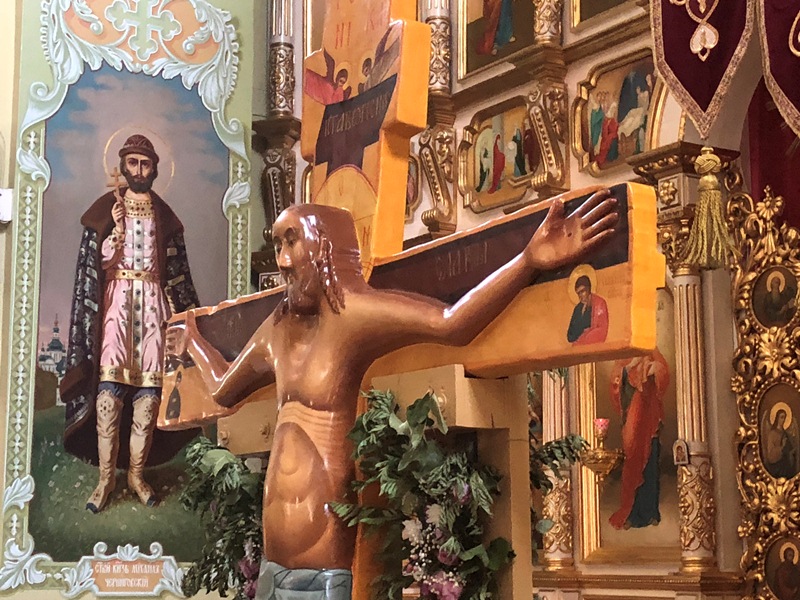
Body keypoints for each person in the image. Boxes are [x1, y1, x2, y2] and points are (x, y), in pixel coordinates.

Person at [166, 188, 619, 600]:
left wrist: (528, 262)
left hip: (324, 563)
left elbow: (450, 324)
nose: (282, 261)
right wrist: (193, 343)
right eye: (277, 244)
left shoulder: (354, 316)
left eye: (292, 241)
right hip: (272, 561)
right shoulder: (277, 329)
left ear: (324, 247)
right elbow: (224, 390)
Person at [60, 134, 200, 513]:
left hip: (153, 309)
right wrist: (116, 233)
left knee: (148, 399)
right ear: (122, 166)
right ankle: (106, 479)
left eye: (145, 164)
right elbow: (98, 264)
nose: (138, 170)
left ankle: (137, 477)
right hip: (117, 308)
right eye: (133, 163)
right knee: (108, 398)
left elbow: (176, 274)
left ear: (154, 169)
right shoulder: (106, 210)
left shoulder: (164, 216)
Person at [609, 349, 669, 529]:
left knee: (650, 463)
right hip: (632, 420)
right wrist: (627, 370)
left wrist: (655, 368)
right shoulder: (623, 356)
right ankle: (631, 513)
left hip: (649, 418)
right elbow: (615, 383)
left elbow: (663, 371)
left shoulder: (650, 350)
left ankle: (651, 512)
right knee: (633, 461)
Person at [566, 275, 609, 345]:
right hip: (578, 346)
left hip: (593, 346)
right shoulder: (577, 309)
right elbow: (570, 336)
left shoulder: (599, 304)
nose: (580, 295)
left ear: (588, 289)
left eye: (582, 291)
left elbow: (602, 330)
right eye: (578, 293)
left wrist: (586, 336)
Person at [763, 407, 800, 479]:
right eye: (781, 417)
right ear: (777, 418)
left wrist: (792, 451)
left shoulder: (786, 433)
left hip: (787, 464)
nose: (783, 420)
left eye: (784, 417)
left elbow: (790, 448)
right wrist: (782, 447)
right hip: (777, 464)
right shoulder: (772, 434)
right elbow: (770, 453)